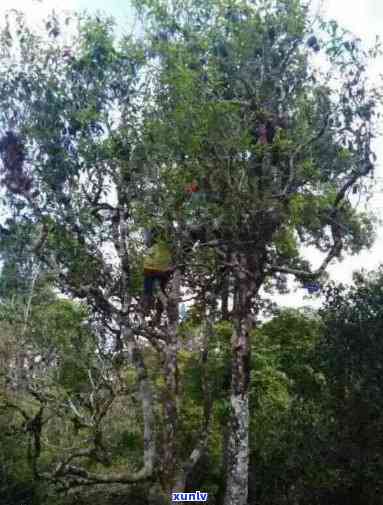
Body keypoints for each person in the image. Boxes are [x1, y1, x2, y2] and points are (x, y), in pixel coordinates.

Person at [142, 231, 173, 315]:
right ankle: (157, 307)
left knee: (148, 278)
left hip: (161, 271)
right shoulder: (160, 247)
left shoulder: (158, 247)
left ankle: (150, 303)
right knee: (159, 288)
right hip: (163, 272)